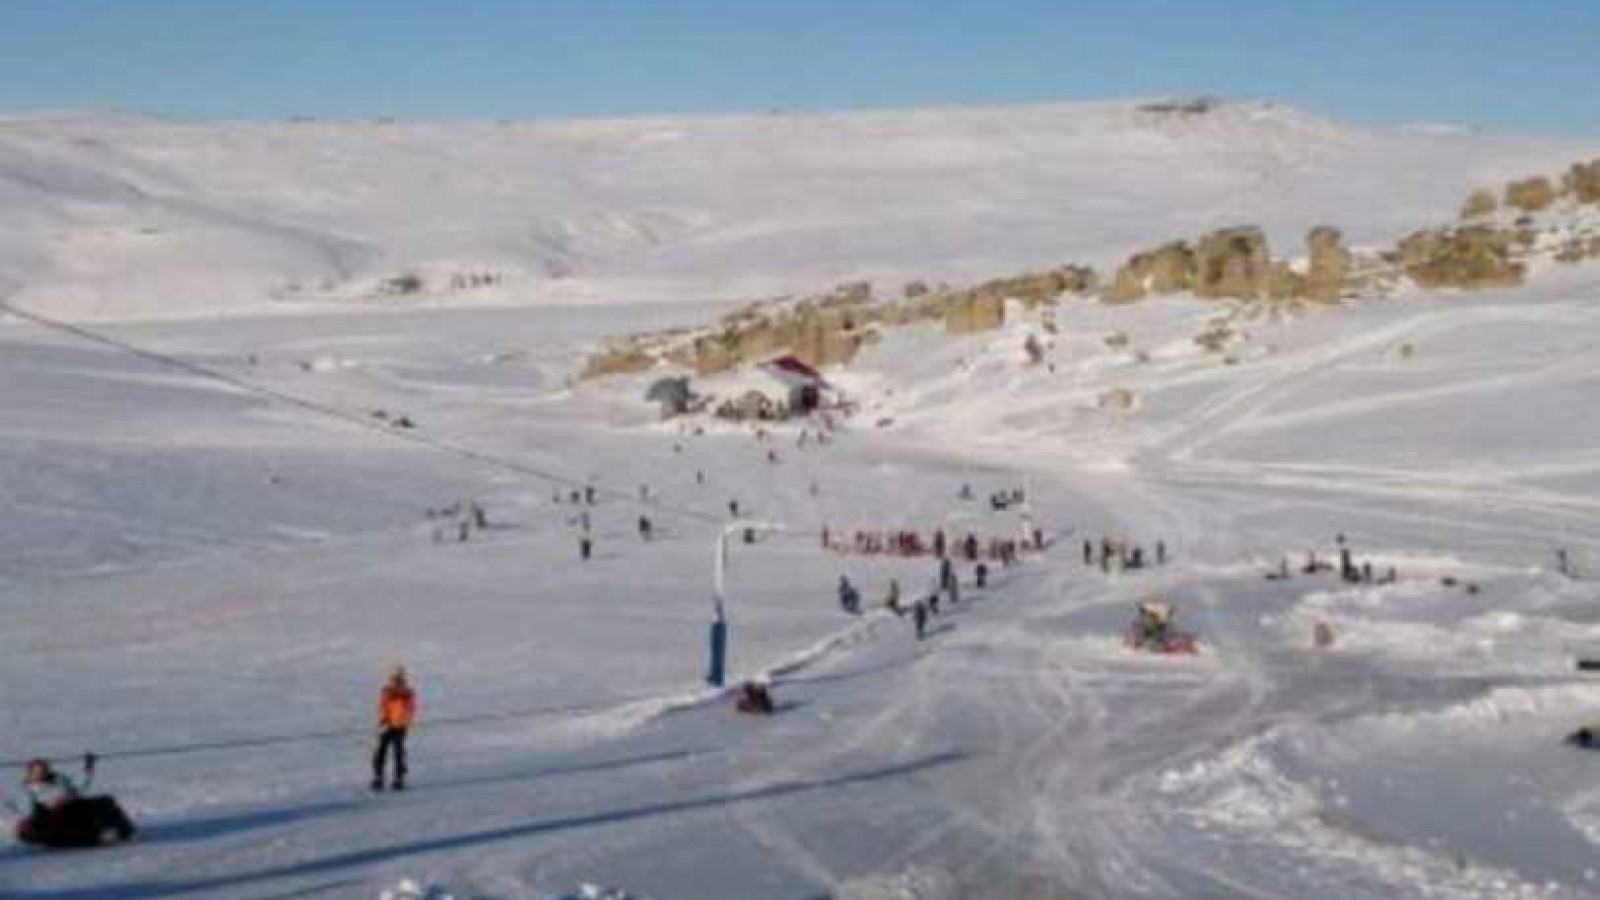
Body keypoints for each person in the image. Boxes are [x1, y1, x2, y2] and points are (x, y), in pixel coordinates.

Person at [373, 666, 416, 791]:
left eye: (399, 678)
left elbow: (411, 708)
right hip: (387, 725)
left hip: (400, 726)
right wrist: (383, 719)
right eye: (394, 678)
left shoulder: (407, 693)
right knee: (381, 750)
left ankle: (398, 778)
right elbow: (382, 706)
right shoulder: (387, 691)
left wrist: (405, 721)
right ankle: (378, 777)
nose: (396, 680)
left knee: (398, 751)